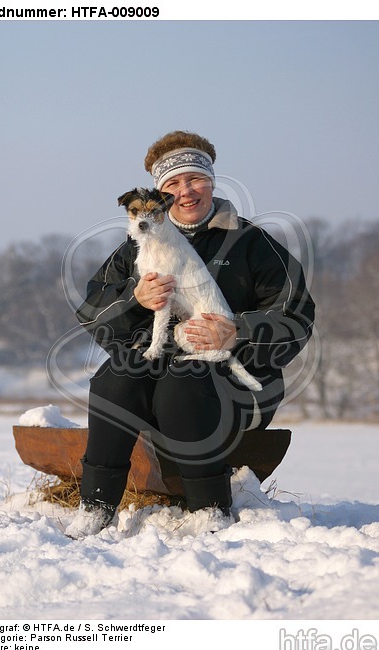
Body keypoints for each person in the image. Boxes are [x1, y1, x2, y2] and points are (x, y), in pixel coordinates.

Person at [65, 130, 315, 539]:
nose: (186, 191)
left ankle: (210, 509)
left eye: (195, 178)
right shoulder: (137, 247)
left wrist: (238, 332)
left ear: (212, 181)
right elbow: (92, 311)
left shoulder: (251, 241)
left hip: (237, 380)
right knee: (115, 376)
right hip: (158, 374)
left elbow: (297, 313)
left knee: (184, 379)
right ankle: (96, 504)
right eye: (172, 183)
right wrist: (135, 299)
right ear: (159, 193)